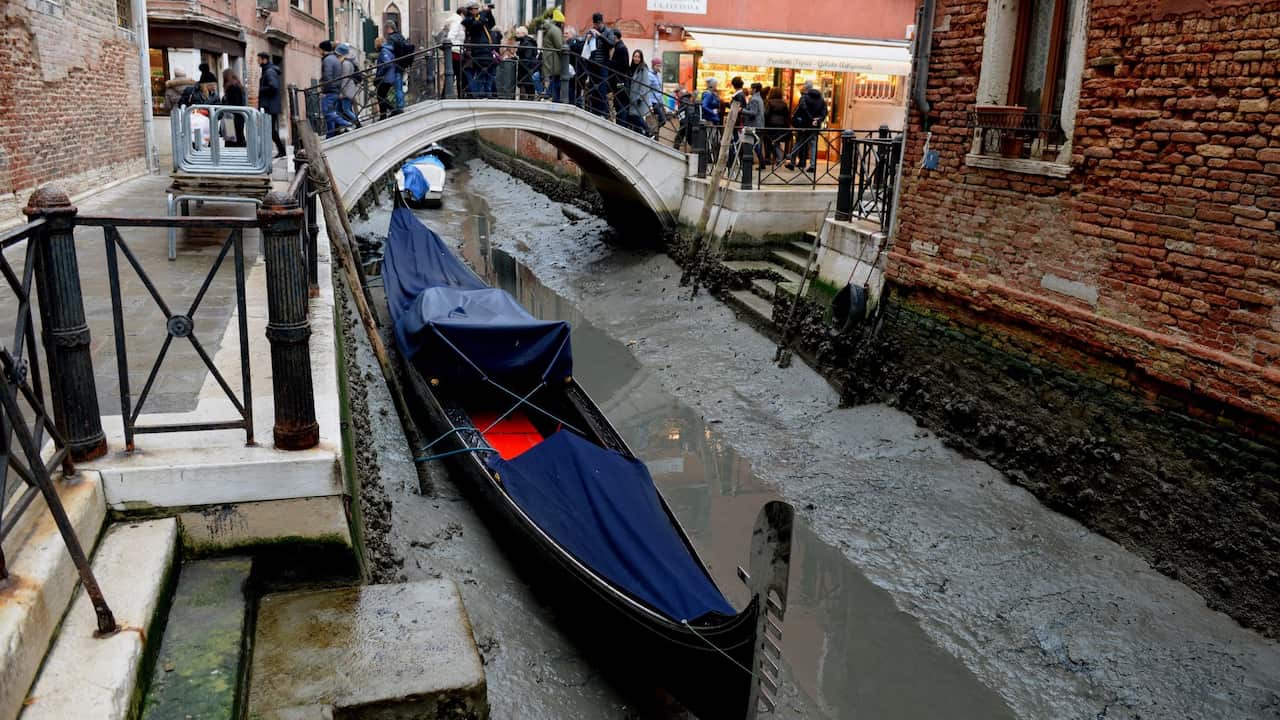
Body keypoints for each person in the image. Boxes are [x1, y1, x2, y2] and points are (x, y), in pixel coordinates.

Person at [786, 79, 828, 173]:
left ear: (806, 87)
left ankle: (792, 163)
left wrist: (810, 119)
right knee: (813, 145)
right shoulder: (821, 99)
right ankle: (812, 166)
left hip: (804, 125)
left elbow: (803, 109)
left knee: (798, 143)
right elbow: (824, 112)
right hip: (815, 126)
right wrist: (818, 120)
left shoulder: (804, 97)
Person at [581, 12, 616, 116]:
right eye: (595, 24)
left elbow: (611, 44)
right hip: (592, 64)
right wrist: (587, 39)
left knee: (602, 88)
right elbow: (584, 46)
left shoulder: (609, 31)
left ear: (602, 22)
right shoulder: (590, 31)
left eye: (598, 24)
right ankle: (594, 111)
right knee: (592, 88)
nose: (596, 26)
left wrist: (600, 36)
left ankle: (603, 112)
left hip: (603, 65)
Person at [462, 2, 498, 97]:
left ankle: (488, 94)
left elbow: (492, 23)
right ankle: (480, 95)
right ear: (470, 10)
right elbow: (478, 25)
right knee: (481, 72)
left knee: (489, 73)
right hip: (479, 51)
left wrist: (489, 13)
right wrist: (483, 13)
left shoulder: (480, 18)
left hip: (487, 50)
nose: (477, 10)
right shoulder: (468, 20)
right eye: (475, 9)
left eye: (478, 8)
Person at [256, 52, 286, 158]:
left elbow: (273, 87)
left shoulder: (269, 72)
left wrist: (261, 90)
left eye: (259, 59)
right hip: (270, 105)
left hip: (269, 106)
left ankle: (279, 150)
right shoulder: (268, 71)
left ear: (264, 60)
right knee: (270, 130)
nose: (257, 61)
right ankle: (280, 150)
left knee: (270, 130)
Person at [319, 40, 351, 137]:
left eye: (320, 49)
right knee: (331, 112)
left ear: (323, 50)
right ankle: (330, 134)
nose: (319, 51)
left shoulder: (328, 60)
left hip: (330, 90)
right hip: (335, 89)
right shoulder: (335, 59)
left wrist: (324, 88)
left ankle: (347, 124)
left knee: (327, 112)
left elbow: (327, 76)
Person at [375, 36, 403, 118]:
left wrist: (379, 74)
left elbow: (387, 64)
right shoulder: (388, 50)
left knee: (380, 96)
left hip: (386, 78)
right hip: (389, 77)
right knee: (381, 96)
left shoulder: (384, 51)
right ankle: (384, 114)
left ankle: (392, 111)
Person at [540, 8, 565, 101]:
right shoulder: (555, 30)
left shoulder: (549, 29)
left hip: (548, 58)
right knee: (556, 80)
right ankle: (555, 99)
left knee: (551, 79)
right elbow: (560, 46)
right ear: (559, 22)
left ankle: (549, 95)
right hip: (554, 59)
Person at [383, 21, 409, 108]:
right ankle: (400, 105)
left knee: (397, 87)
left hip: (395, 66)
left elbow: (389, 53)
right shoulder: (401, 36)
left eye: (386, 28)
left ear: (389, 28)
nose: (385, 31)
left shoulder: (391, 39)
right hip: (402, 65)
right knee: (400, 87)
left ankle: (399, 107)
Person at [220, 68, 247, 147]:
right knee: (239, 137)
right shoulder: (237, 85)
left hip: (231, 117)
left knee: (231, 140)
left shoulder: (231, 87)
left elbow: (233, 102)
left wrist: (223, 102)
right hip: (238, 117)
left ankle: (233, 157)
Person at [763, 87, 790, 165]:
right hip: (781, 125)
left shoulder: (769, 103)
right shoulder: (784, 103)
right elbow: (786, 115)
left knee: (771, 141)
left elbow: (766, 114)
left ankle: (777, 157)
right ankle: (779, 158)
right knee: (776, 141)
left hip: (770, 125)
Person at [336, 44, 361, 128]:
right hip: (347, 89)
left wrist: (341, 92)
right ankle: (345, 126)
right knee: (339, 110)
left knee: (346, 109)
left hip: (346, 90)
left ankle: (357, 123)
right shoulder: (347, 62)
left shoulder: (346, 63)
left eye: (338, 54)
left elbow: (344, 79)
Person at [744, 82, 766, 165]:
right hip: (759, 124)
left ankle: (759, 161)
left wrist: (742, 110)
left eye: (751, 88)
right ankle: (760, 161)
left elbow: (753, 112)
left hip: (754, 125)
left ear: (755, 89)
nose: (750, 90)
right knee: (756, 143)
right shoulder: (759, 98)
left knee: (754, 144)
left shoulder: (754, 99)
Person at [514, 26, 538, 98]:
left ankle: (531, 97)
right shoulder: (524, 42)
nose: (516, 35)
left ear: (523, 33)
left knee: (527, 83)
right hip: (524, 66)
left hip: (527, 67)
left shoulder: (528, 43)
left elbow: (528, 56)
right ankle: (527, 97)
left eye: (518, 33)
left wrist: (524, 65)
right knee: (524, 83)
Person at [447, 7, 466, 97]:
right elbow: (451, 36)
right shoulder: (457, 22)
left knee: (454, 74)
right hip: (455, 52)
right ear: (462, 14)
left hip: (457, 51)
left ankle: (447, 94)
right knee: (457, 75)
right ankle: (459, 95)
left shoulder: (457, 21)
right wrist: (456, 47)